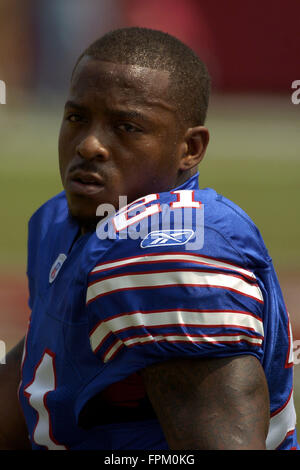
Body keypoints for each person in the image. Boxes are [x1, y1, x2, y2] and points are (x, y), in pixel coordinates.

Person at [0, 27, 299, 450]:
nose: (88, 145)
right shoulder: (59, 222)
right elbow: (35, 379)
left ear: (190, 149)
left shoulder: (170, 251)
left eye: (127, 127)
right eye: (76, 118)